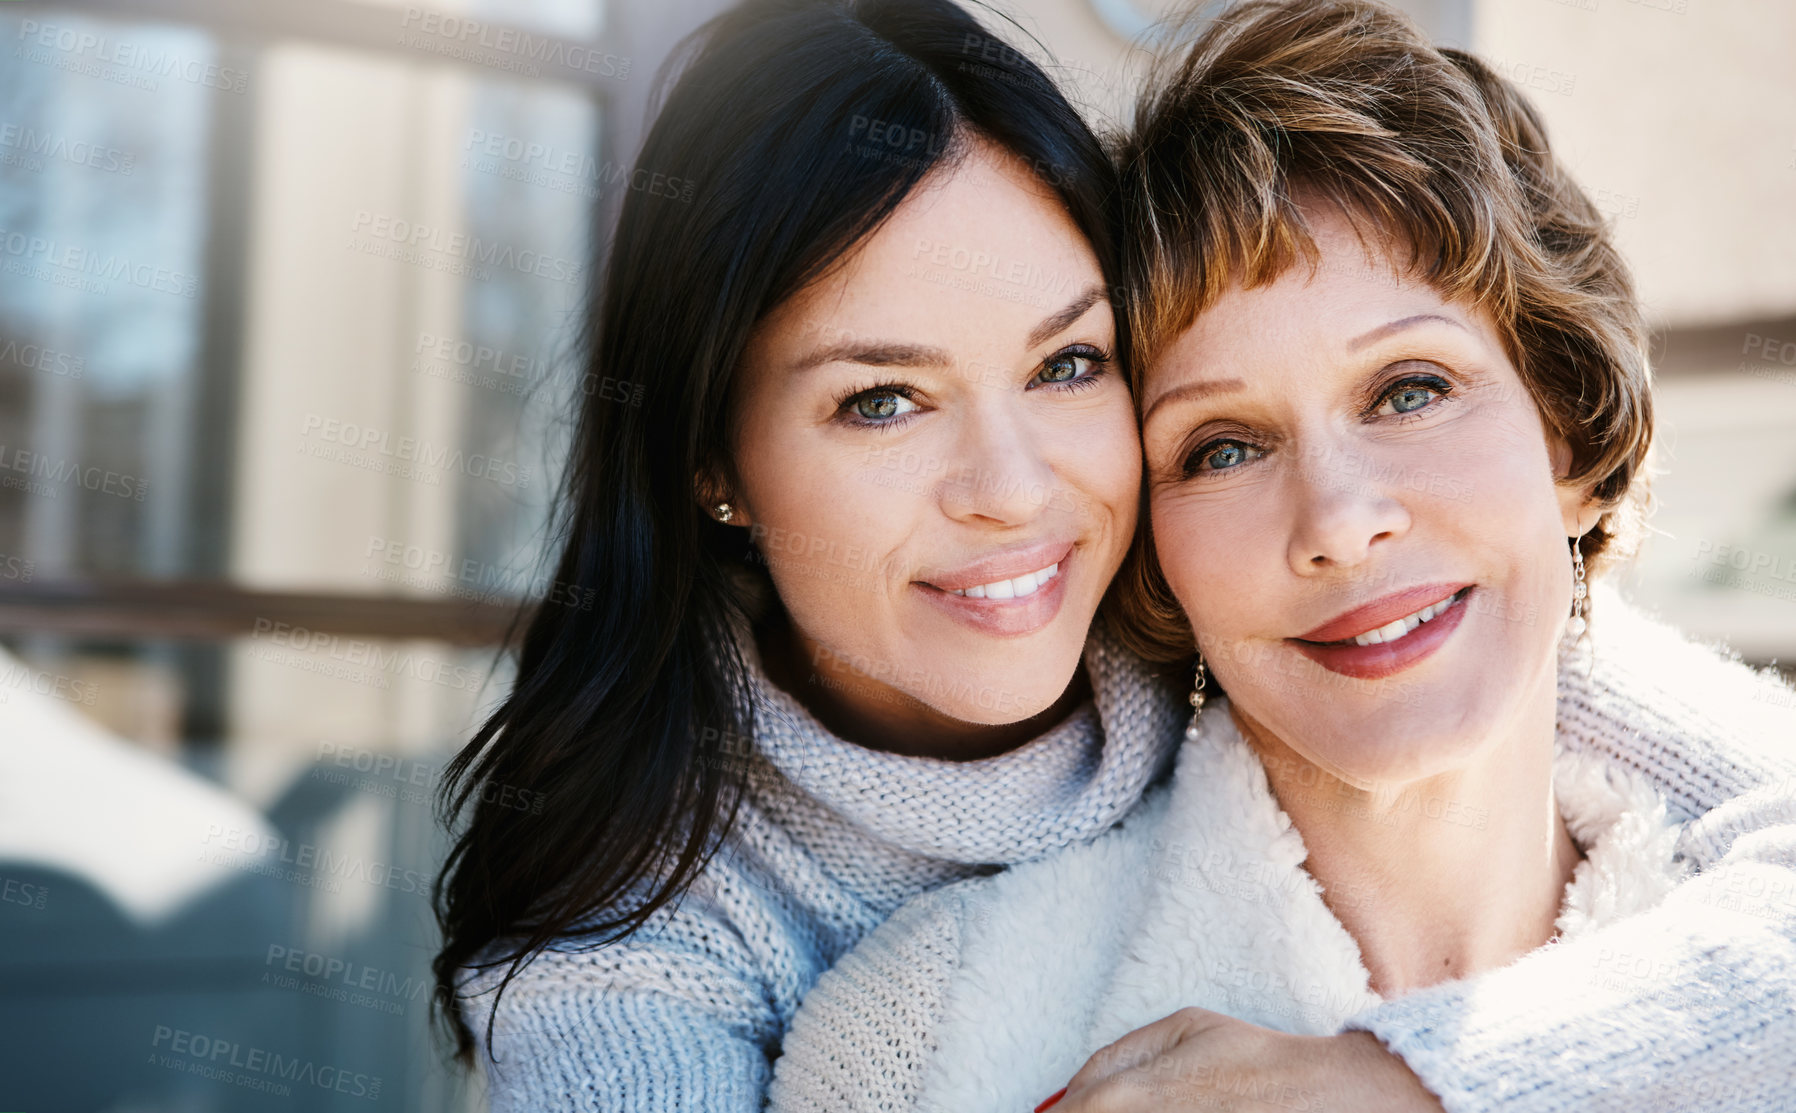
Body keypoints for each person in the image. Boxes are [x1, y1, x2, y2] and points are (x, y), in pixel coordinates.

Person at [432, 1, 1796, 1110]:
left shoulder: (1238, 626)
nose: (1015, 492)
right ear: (710, 462)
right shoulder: (635, 960)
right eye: (882, 399)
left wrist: (1406, 1082)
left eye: (1070, 362)